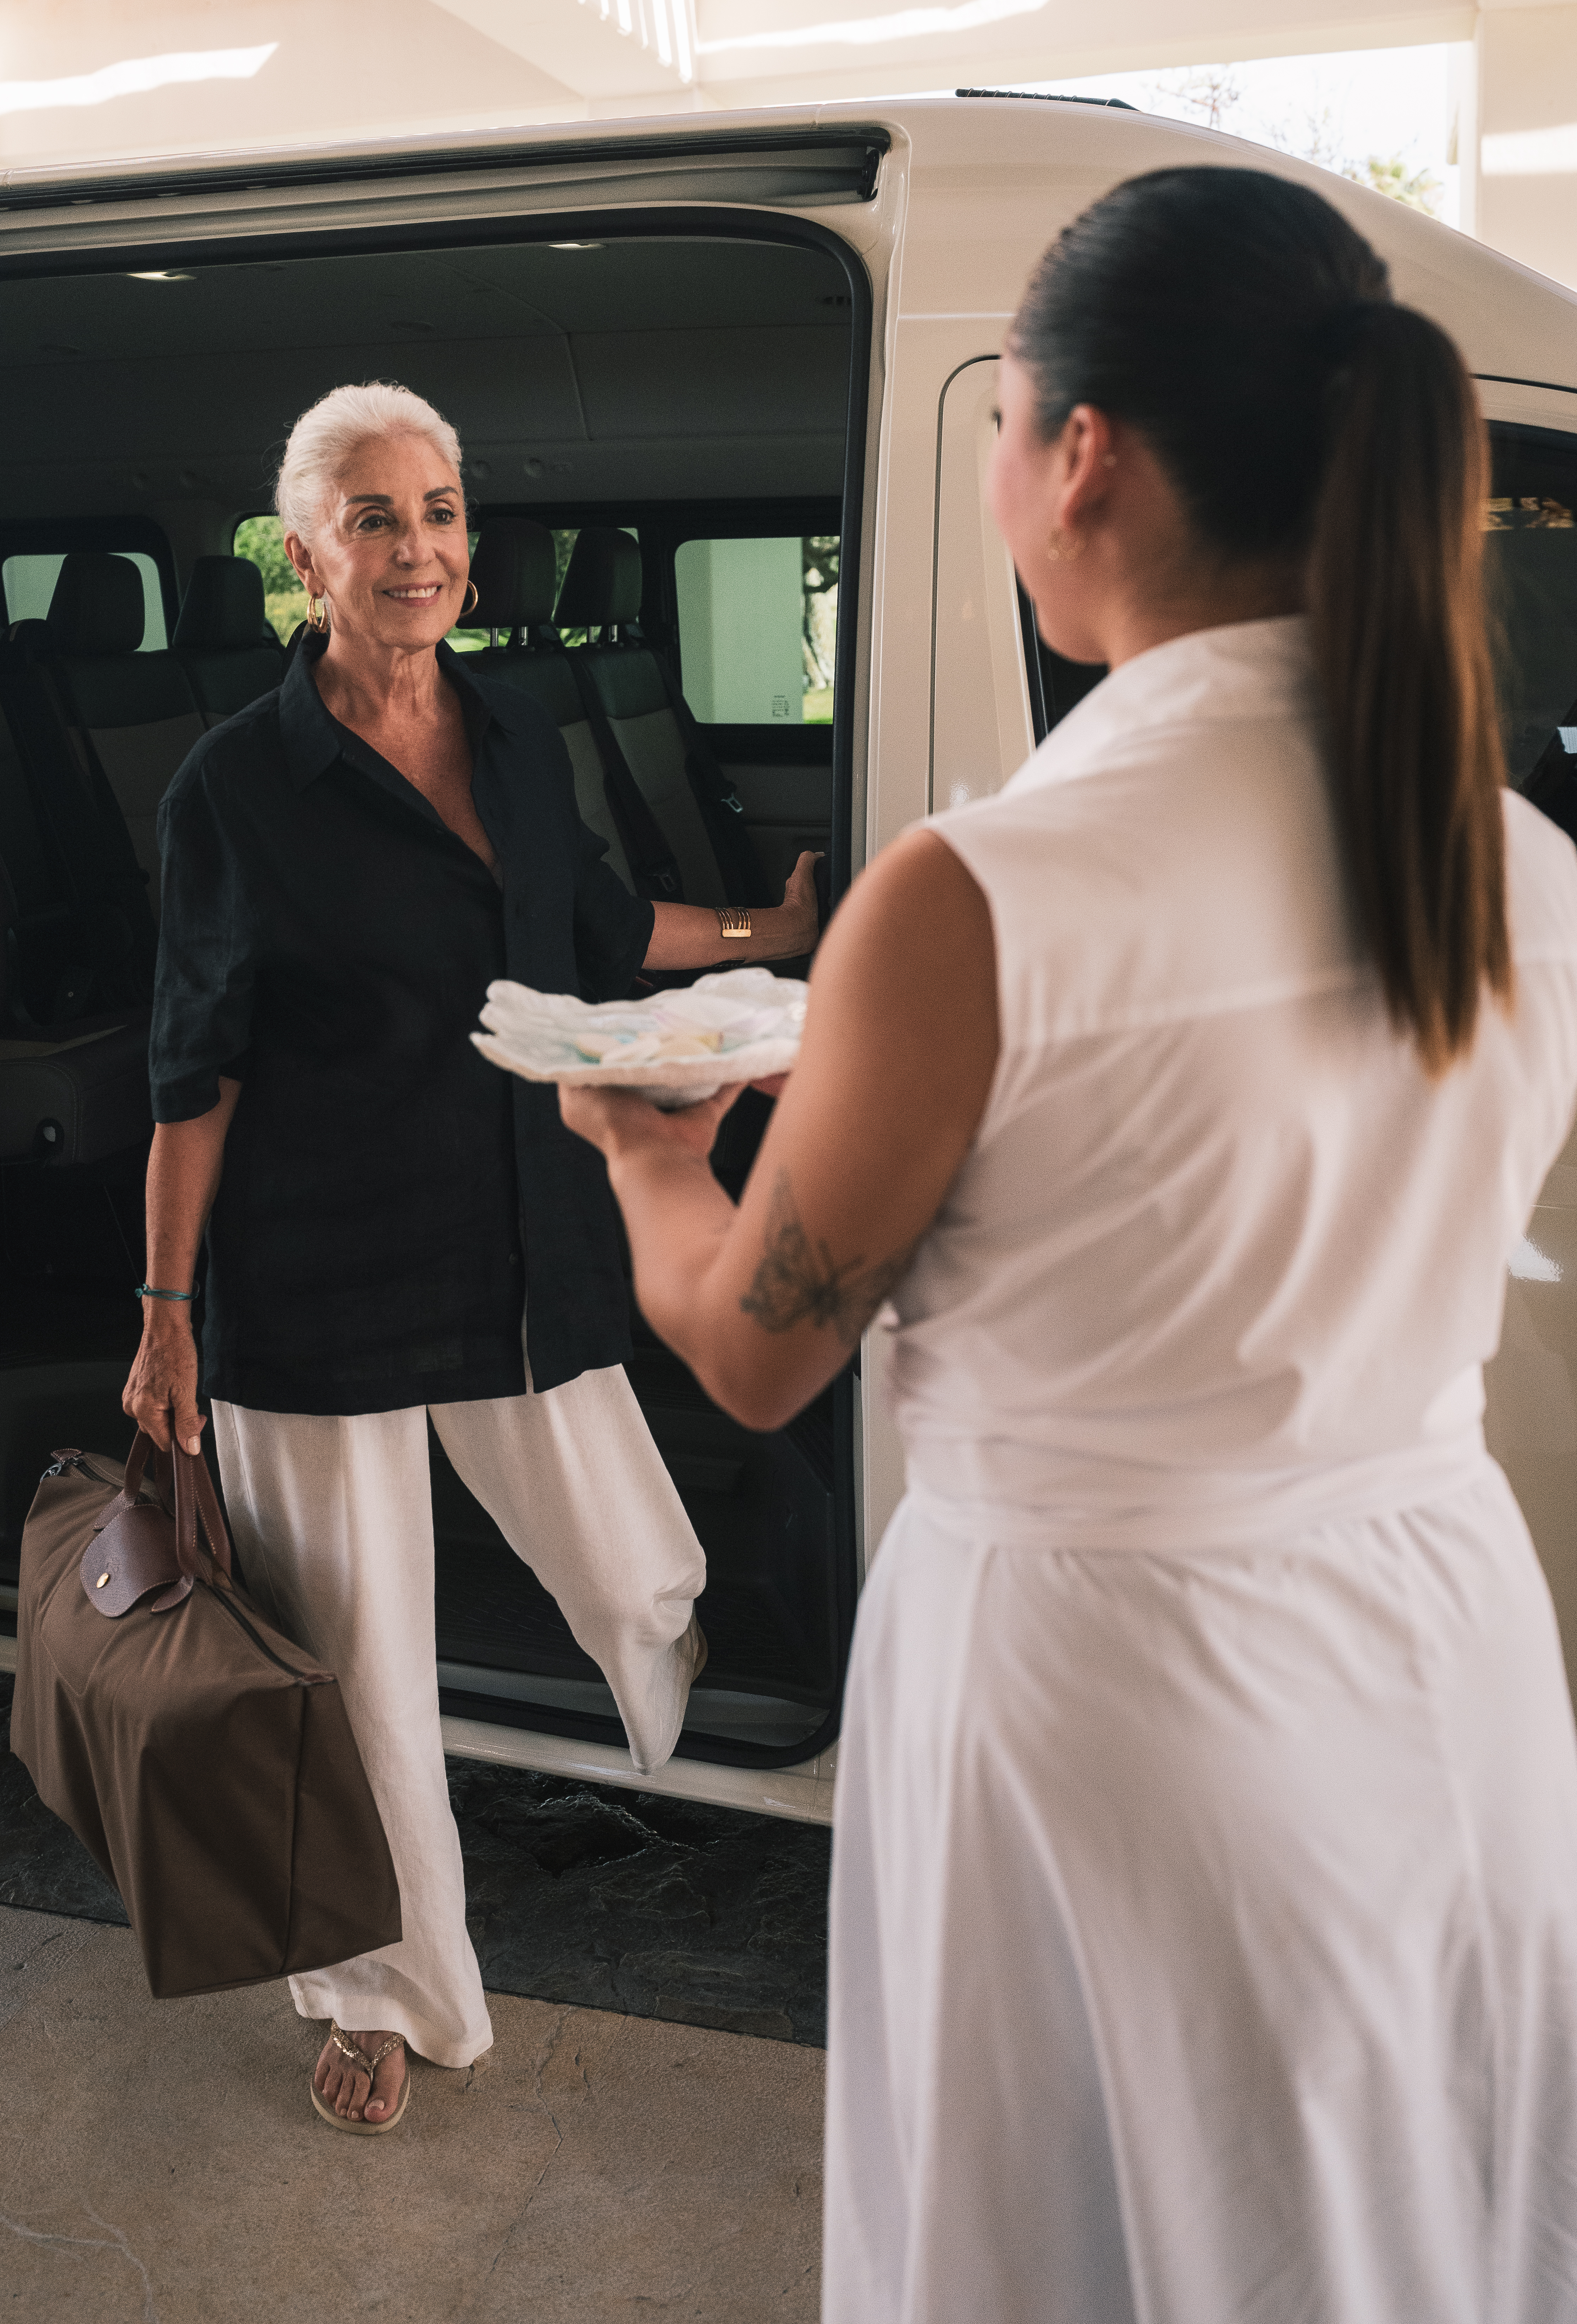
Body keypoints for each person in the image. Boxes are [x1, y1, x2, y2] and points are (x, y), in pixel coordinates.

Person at [562, 168, 1577, 2317]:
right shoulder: (1514, 859)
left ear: (1082, 455)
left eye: (1007, 415)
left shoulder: (980, 895)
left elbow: (756, 1350)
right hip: (1444, 1645)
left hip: (1118, 1692)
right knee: (1415, 2210)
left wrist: (650, 1160)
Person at [123, 378, 818, 2134]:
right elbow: (192, 1073)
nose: (418, 547)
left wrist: (779, 931)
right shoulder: (234, 786)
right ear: (305, 559)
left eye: (438, 511)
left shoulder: (511, 725)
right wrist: (166, 1314)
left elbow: (600, 926)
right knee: (361, 1668)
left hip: (518, 1234)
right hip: (313, 1274)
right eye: (374, 518)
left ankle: (657, 1696)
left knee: (640, 1570)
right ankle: (380, 1997)